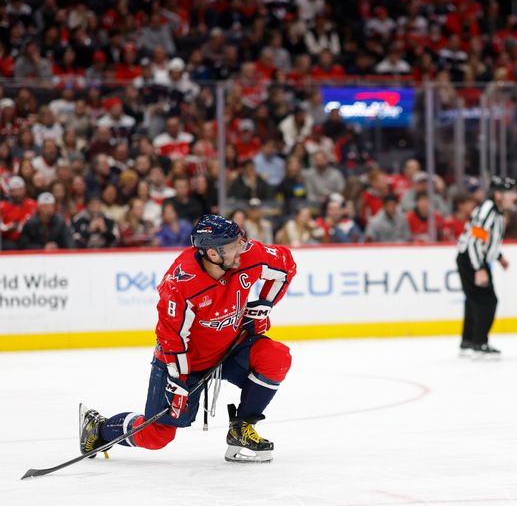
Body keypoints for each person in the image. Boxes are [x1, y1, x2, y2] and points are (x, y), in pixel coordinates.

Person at [79, 214, 296, 463]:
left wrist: (264, 305)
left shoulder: (247, 255)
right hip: (184, 363)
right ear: (213, 254)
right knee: (156, 436)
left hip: (231, 347)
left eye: (240, 241)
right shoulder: (179, 284)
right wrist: (178, 381)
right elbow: (171, 338)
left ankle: (241, 428)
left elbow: (286, 265)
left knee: (276, 357)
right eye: (233, 245)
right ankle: (99, 429)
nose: (242, 248)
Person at [456, 177, 517, 358]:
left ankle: (468, 342)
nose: (514, 197)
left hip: (475, 259)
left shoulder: (495, 211)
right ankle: (479, 343)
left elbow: (486, 240)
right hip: (472, 260)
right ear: (498, 195)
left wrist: (498, 257)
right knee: (487, 301)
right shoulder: (488, 212)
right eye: (510, 193)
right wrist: (479, 268)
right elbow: (475, 241)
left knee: (474, 301)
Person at [0, 176, 37, 250]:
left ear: (24, 190)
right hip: (9, 239)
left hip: (28, 239)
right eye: (14, 190)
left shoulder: (33, 204)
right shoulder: (2, 207)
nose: (18, 193)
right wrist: (8, 227)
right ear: (10, 192)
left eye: (20, 190)